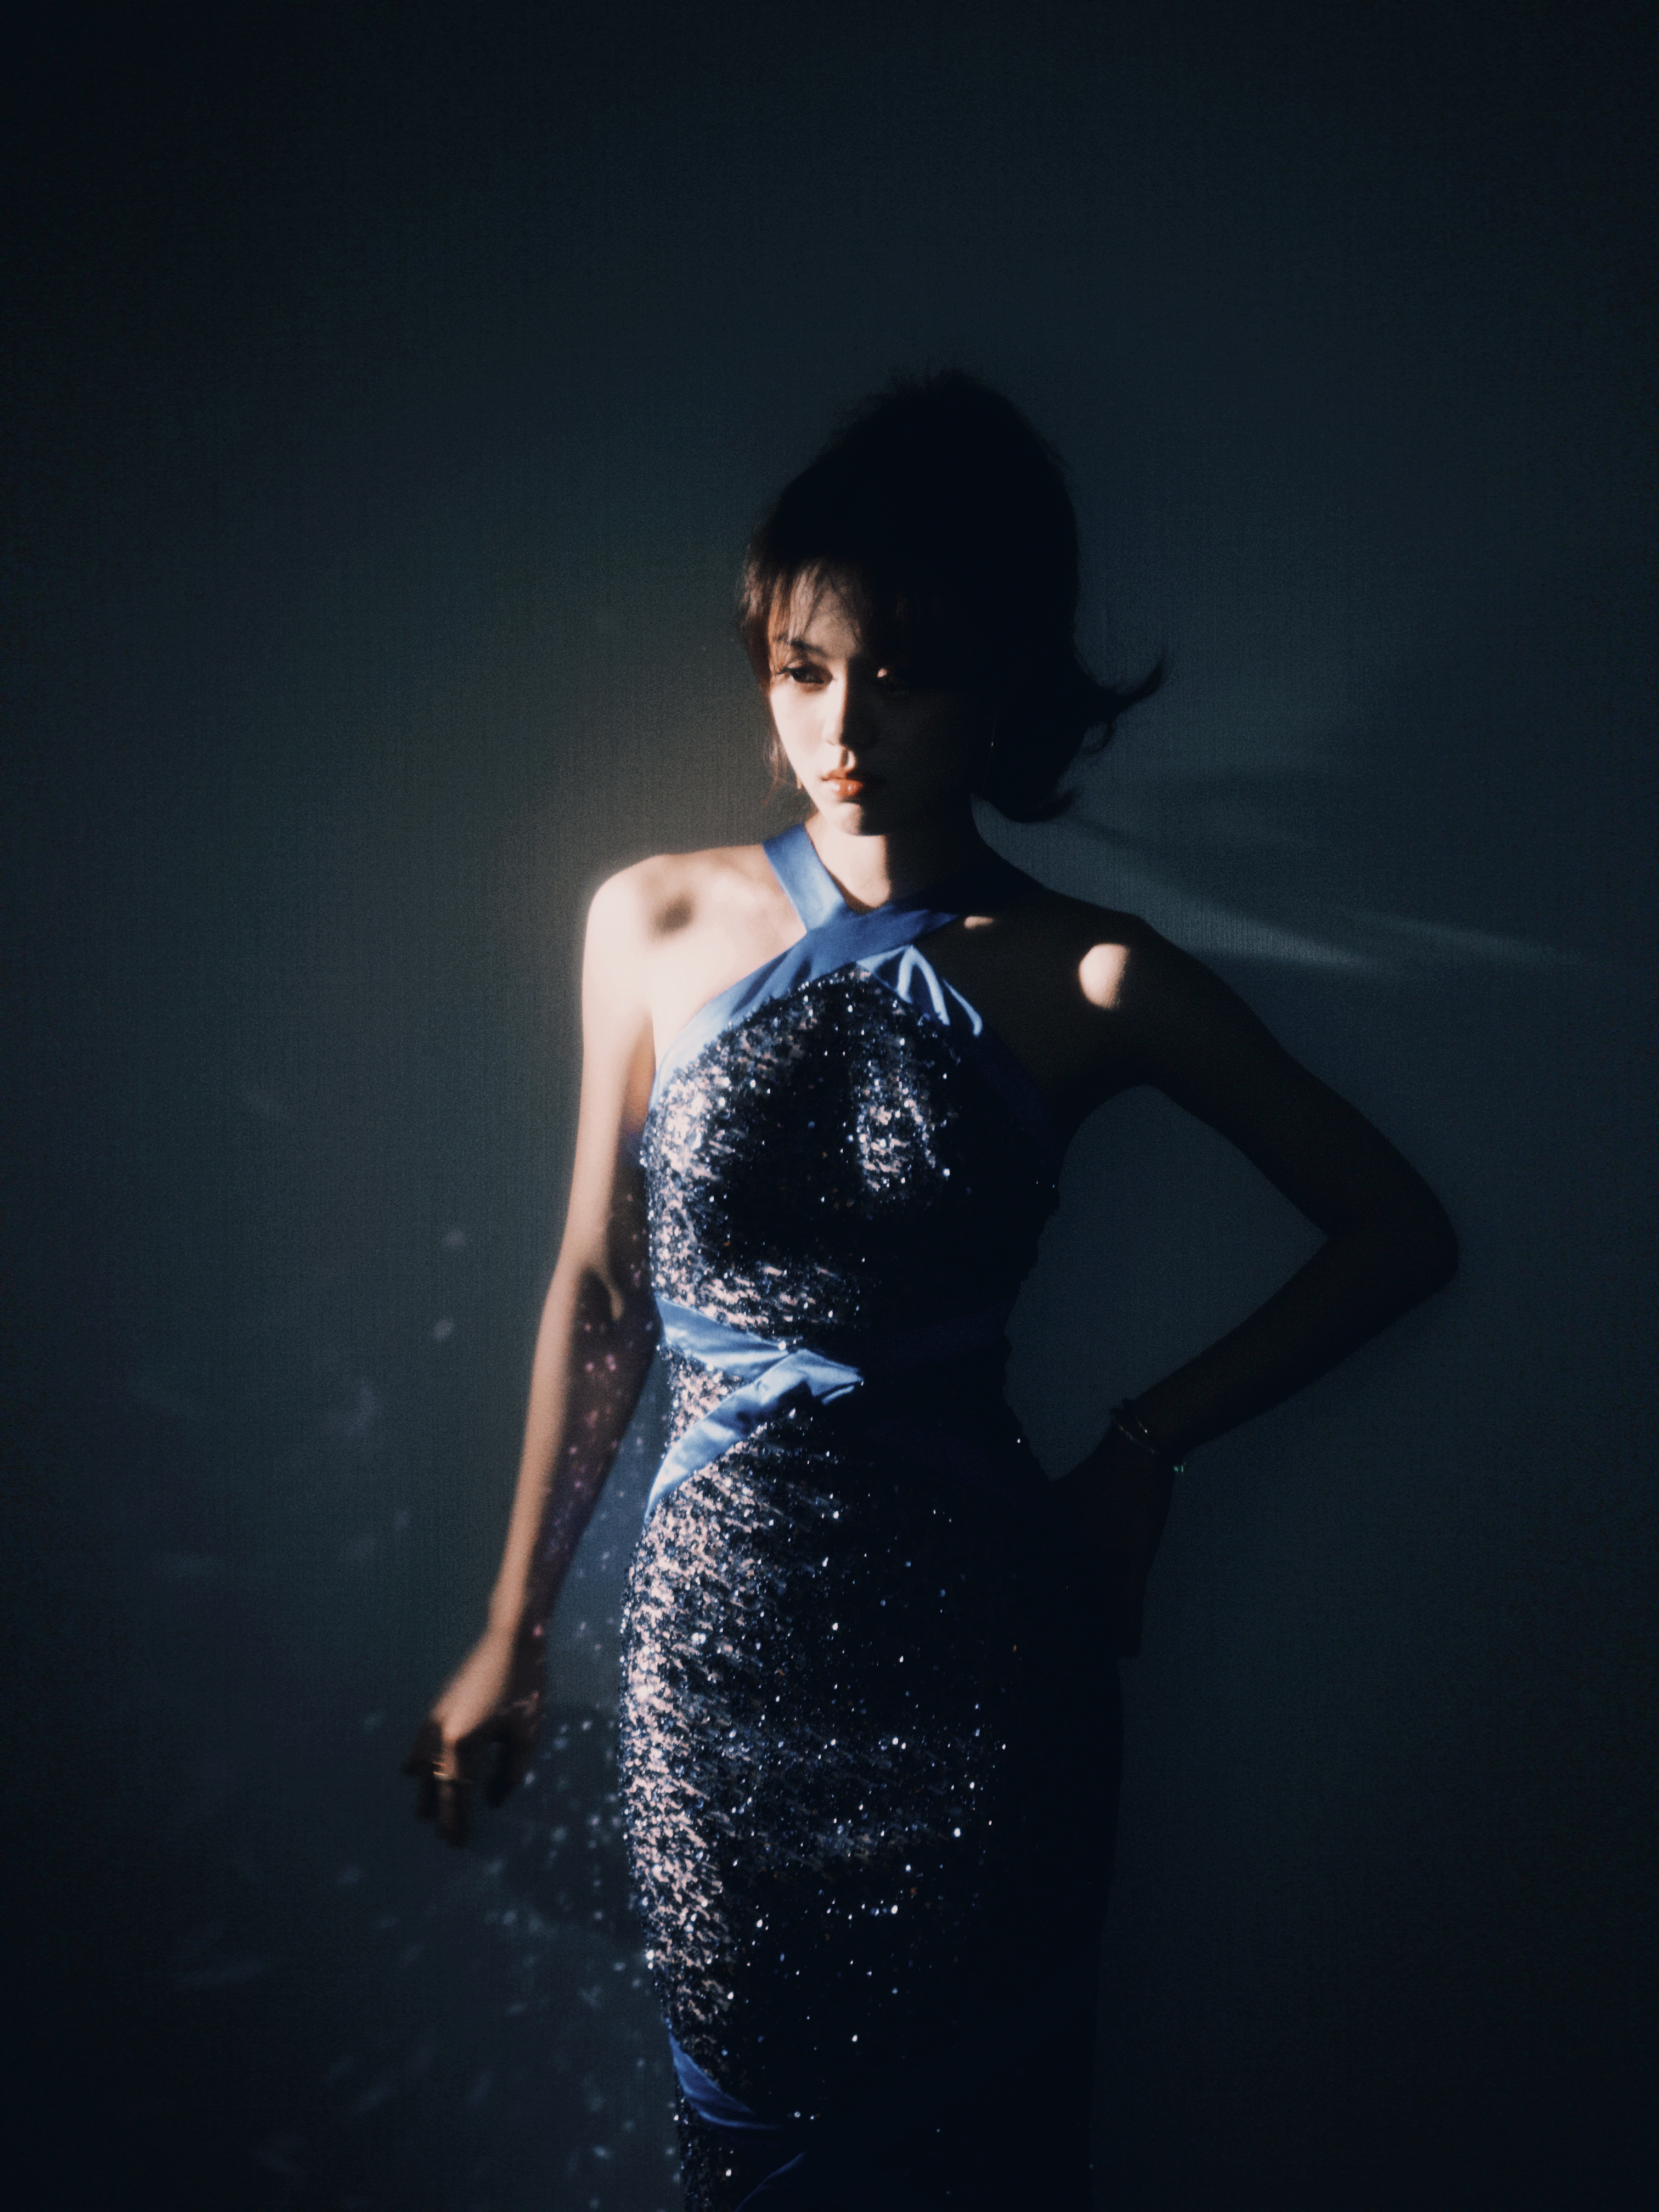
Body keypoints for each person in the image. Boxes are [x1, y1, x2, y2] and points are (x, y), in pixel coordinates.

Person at [405, 373, 1457, 2210]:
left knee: (980, 2154)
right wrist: (514, 1621)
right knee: (755, 2148)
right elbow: (600, 1291)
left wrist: (1146, 1446)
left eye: (901, 675)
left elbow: (1395, 1231)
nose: (843, 727)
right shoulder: (649, 921)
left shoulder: (1095, 975)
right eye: (803, 670)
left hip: (983, 1672)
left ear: (1001, 685)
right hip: (715, 1665)